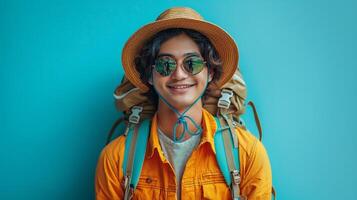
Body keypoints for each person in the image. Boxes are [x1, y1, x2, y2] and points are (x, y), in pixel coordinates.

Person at [95, 7, 272, 200]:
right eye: (165, 64)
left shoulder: (248, 154)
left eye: (192, 63)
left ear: (210, 72)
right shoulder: (116, 158)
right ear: (150, 76)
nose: (179, 75)